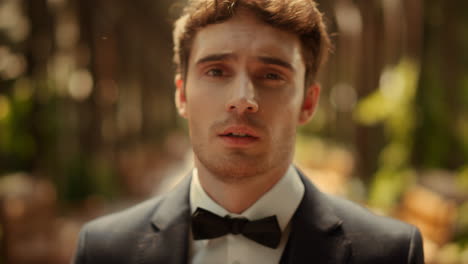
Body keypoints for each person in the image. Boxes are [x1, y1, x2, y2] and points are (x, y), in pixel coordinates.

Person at [72, 0, 425, 263]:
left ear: (308, 102)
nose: (242, 100)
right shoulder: (104, 250)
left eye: (271, 75)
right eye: (216, 71)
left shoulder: (392, 253)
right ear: (181, 94)